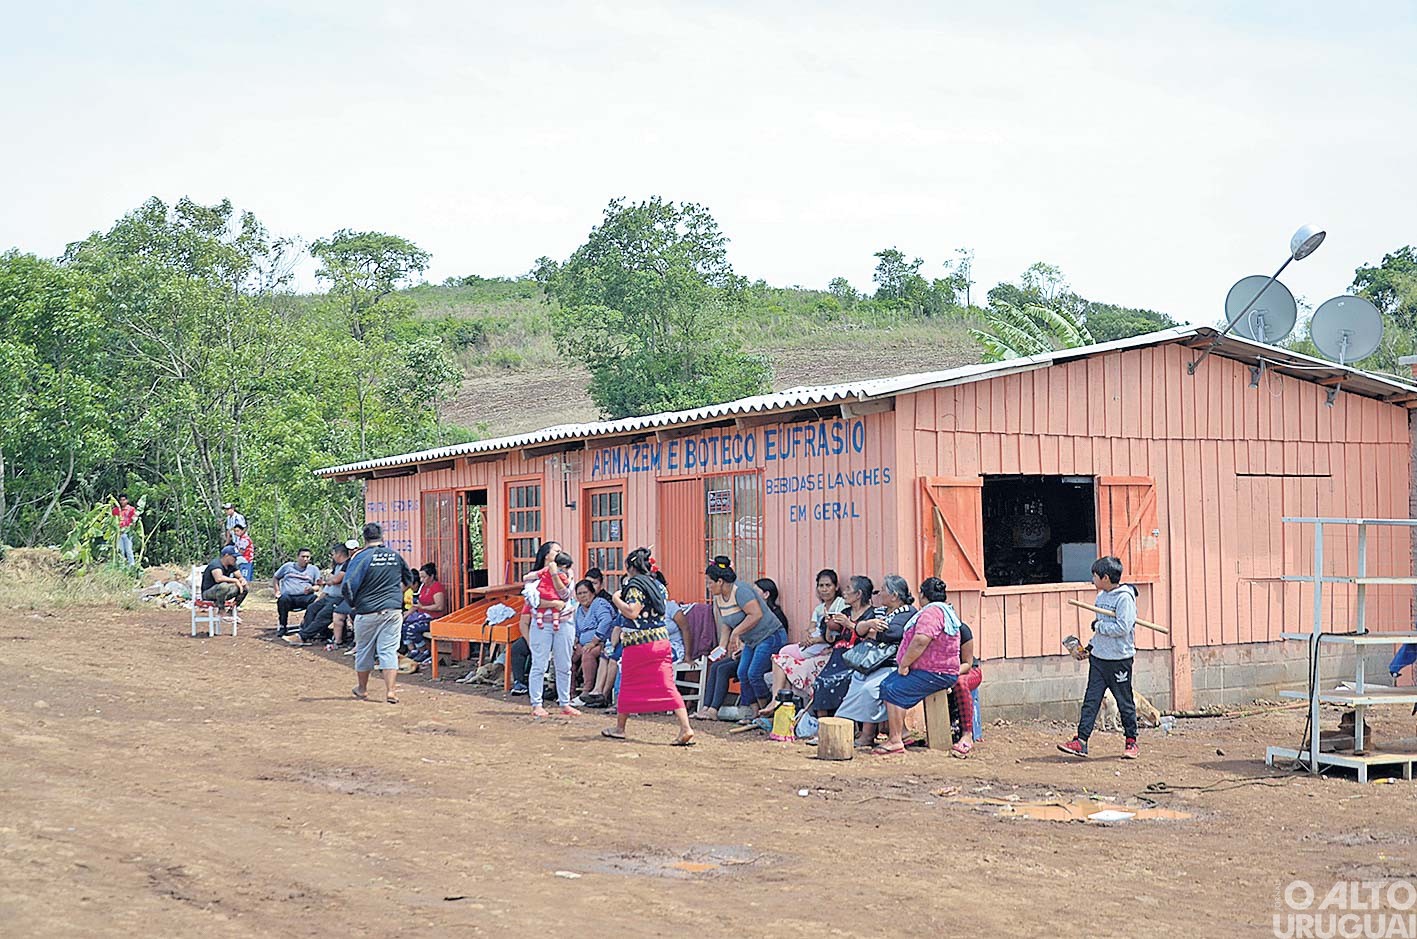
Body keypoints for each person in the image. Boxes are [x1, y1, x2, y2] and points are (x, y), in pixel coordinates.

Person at [600, 547, 694, 745]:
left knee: (628, 683)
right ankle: (686, 727)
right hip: (660, 641)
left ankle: (620, 728)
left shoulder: (634, 586)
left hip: (638, 645)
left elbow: (632, 612)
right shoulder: (658, 586)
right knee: (667, 684)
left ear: (630, 567)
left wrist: (616, 598)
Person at [1058, 556, 1140, 760]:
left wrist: (1098, 626)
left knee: (1124, 701)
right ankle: (1081, 741)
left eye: (1094, 576)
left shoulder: (1124, 598)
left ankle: (1131, 741)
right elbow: (1100, 629)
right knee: (1091, 701)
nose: (1092, 579)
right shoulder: (1101, 597)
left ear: (1105, 577)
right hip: (1099, 658)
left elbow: (1123, 627)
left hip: (1119, 659)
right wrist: (1089, 647)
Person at [874, 577, 962, 756]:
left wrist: (904, 664)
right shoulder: (943, 610)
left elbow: (921, 640)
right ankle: (901, 733)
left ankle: (895, 740)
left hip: (936, 672)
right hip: (935, 671)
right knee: (887, 684)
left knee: (893, 689)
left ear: (923, 595)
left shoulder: (932, 613)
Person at [836, 574, 918, 748]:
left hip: (892, 665)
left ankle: (867, 735)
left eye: (882, 591)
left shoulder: (908, 613)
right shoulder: (880, 611)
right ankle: (838, 726)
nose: (879, 594)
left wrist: (871, 630)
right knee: (856, 683)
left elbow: (892, 634)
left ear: (894, 595)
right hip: (872, 663)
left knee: (868, 690)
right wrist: (869, 626)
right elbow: (859, 629)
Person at [343, 523, 415, 705]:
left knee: (364, 650)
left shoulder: (361, 557)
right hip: (393, 611)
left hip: (367, 611)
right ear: (382, 536)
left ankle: (362, 689)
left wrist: (354, 604)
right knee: (389, 650)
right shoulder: (394, 556)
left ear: (364, 538)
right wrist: (396, 595)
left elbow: (348, 585)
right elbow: (409, 579)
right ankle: (391, 691)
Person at [706, 557, 785, 715]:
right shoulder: (719, 598)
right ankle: (755, 712)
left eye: (709, 582)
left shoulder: (741, 590)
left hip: (770, 635)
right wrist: (722, 646)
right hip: (752, 640)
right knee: (742, 673)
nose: (708, 586)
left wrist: (737, 632)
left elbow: (755, 614)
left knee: (754, 673)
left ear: (720, 581)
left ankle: (768, 711)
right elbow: (727, 624)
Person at [758, 571, 841, 717]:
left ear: (836, 586)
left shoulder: (840, 605)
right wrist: (809, 636)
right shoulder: (819, 608)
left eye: (828, 585)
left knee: (782, 656)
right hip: (815, 646)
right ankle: (778, 701)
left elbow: (836, 634)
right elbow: (811, 627)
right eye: (821, 586)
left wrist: (815, 639)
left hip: (828, 649)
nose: (824, 589)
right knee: (781, 656)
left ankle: (777, 700)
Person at [811, 575, 876, 717]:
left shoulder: (873, 614)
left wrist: (849, 624)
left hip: (857, 659)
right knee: (821, 682)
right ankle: (823, 726)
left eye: (848, 589)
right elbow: (830, 639)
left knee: (845, 681)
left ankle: (851, 725)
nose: (844, 592)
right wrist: (829, 626)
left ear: (858, 594)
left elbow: (871, 638)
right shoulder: (845, 613)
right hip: (838, 658)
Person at [526, 551, 577, 718]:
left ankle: (565, 702)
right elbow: (532, 599)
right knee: (539, 663)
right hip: (542, 623)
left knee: (564, 664)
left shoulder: (567, 574)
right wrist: (553, 603)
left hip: (564, 622)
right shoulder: (537, 576)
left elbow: (565, 595)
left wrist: (554, 574)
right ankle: (536, 703)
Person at [510, 541, 562, 696]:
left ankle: (554, 689)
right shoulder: (535, 579)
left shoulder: (561, 575)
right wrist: (531, 642)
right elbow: (527, 615)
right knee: (518, 648)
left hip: (557, 623)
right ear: (547, 555)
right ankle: (520, 683)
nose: (560, 554)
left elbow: (563, 599)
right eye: (556, 551)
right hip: (537, 625)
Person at [571, 578, 615, 706]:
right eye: (579, 594)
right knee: (570, 655)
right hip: (583, 642)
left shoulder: (599, 604)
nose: (582, 596)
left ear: (592, 593)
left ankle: (587, 691)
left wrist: (594, 641)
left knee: (588, 653)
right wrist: (576, 641)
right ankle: (569, 692)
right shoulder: (579, 609)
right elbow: (578, 629)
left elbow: (606, 621)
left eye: (585, 593)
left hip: (602, 642)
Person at [298, 542, 351, 647]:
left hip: (340, 598)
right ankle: (311, 634)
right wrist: (326, 585)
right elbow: (329, 581)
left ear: (339, 554)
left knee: (323, 615)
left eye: (333, 554)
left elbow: (336, 580)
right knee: (312, 608)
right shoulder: (337, 566)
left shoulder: (348, 564)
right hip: (329, 597)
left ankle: (302, 636)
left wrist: (329, 581)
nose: (333, 557)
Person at [402, 563, 448, 664]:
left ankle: (424, 652)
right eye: (420, 577)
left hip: (433, 619)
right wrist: (406, 615)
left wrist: (423, 608)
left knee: (412, 629)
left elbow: (439, 606)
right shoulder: (423, 587)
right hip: (422, 616)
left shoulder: (437, 587)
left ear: (431, 576)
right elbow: (416, 605)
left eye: (424, 577)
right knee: (404, 626)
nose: (421, 580)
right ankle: (413, 651)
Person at [273, 548, 321, 637]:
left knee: (315, 600)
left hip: (305, 597)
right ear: (297, 557)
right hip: (289, 597)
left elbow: (318, 586)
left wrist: (311, 589)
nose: (305, 559)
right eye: (303, 556)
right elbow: (276, 577)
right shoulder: (287, 566)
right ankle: (283, 626)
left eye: (307, 557)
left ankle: (307, 626)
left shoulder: (314, 569)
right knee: (282, 599)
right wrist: (277, 591)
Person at [200, 546, 248, 619]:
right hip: (208, 593)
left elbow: (239, 576)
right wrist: (235, 580)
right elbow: (218, 578)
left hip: (223, 593)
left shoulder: (232, 565)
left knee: (244, 588)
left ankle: (231, 610)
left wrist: (242, 580)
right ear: (226, 556)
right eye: (234, 557)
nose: (236, 559)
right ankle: (221, 609)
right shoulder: (215, 564)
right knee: (223, 586)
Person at [112, 494, 138, 566]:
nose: (122, 502)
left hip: (127, 532)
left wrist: (132, 528)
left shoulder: (131, 509)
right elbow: (112, 520)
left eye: (124, 500)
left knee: (129, 550)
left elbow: (134, 520)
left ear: (127, 500)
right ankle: (122, 566)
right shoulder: (116, 510)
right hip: (118, 533)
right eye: (121, 500)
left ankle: (132, 565)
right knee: (121, 551)